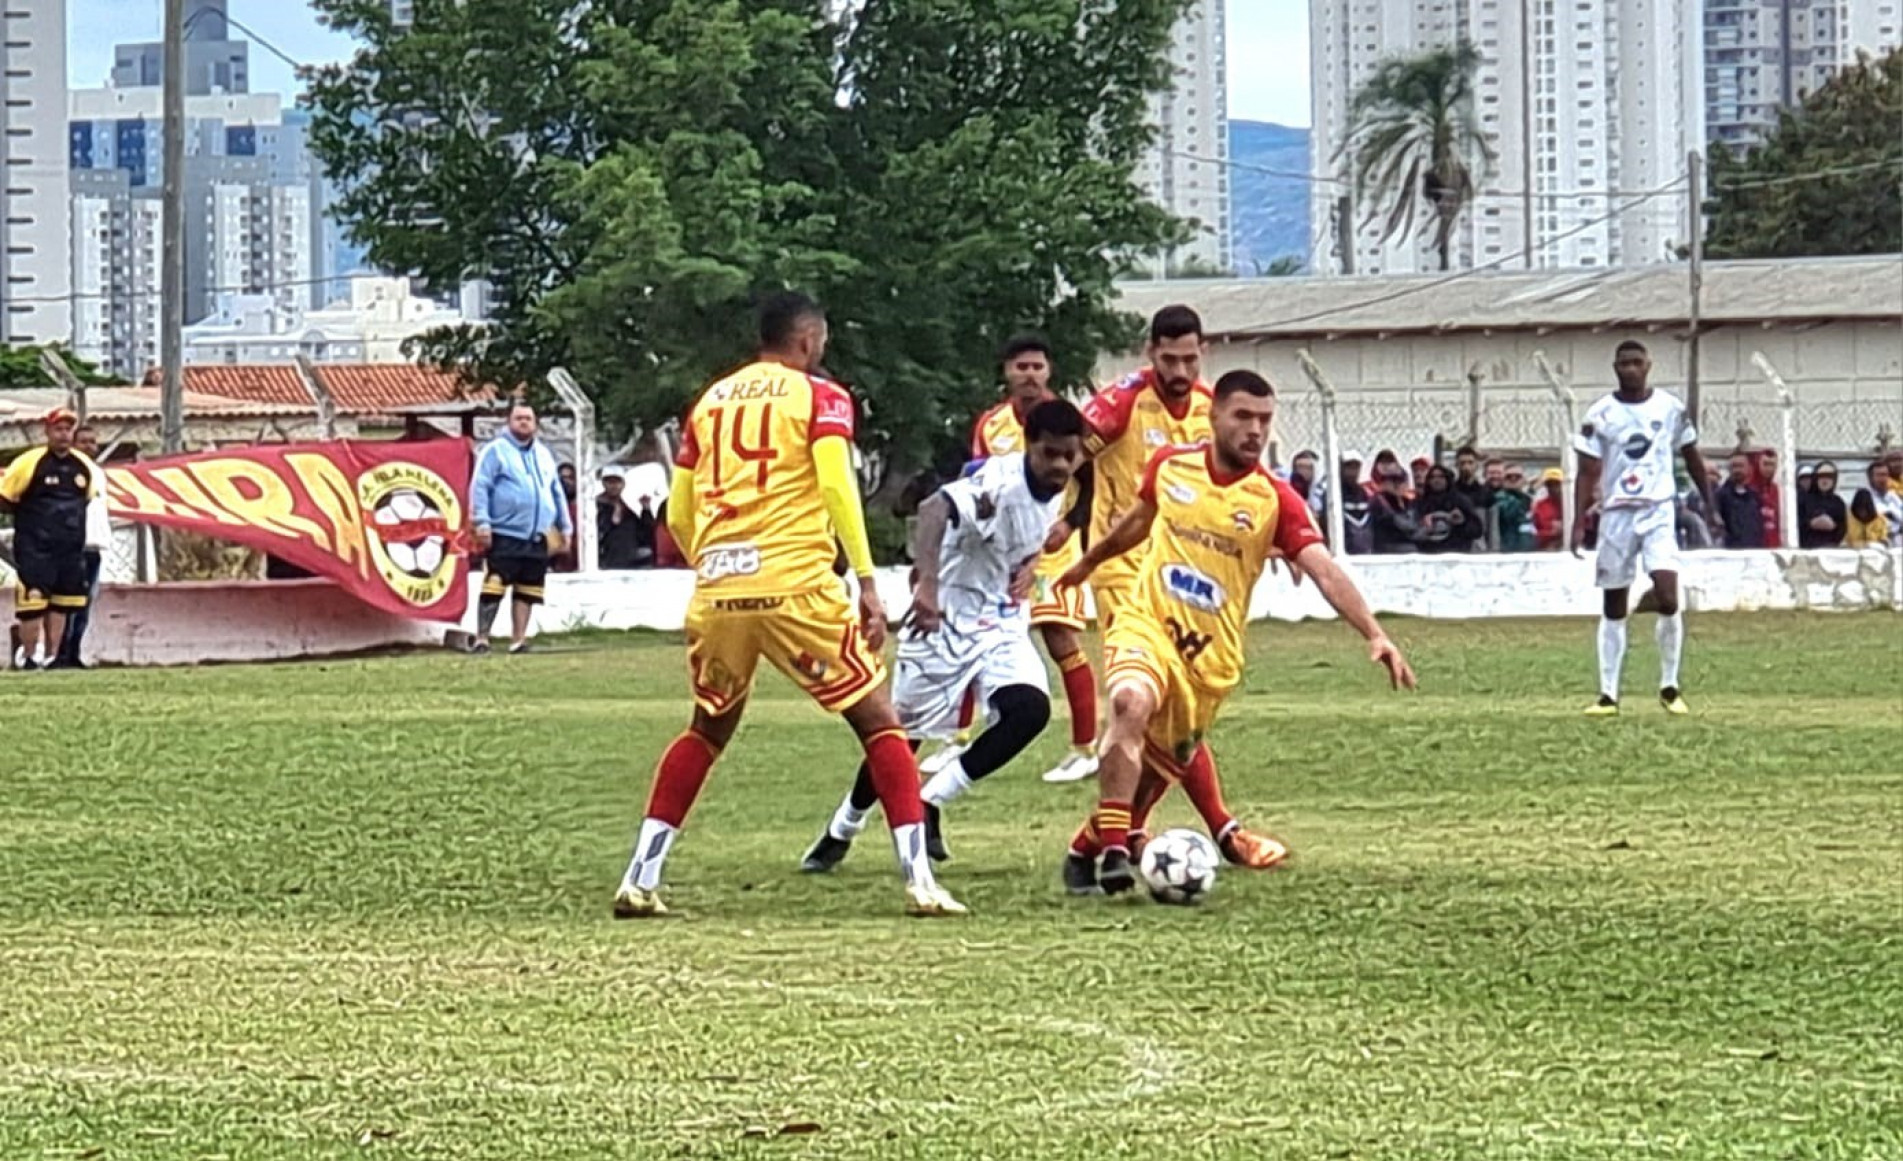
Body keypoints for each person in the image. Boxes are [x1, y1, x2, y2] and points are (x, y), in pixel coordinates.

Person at [612, 291, 964, 918]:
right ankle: (920, 881)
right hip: (796, 584)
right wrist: (864, 578)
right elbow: (834, 482)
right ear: (807, 341)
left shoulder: (710, 402)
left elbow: (680, 512)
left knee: (708, 728)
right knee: (881, 722)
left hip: (720, 589)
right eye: (821, 342)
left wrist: (716, 566)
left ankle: (641, 876)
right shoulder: (821, 397)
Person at [1056, 371, 1417, 895]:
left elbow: (1323, 567)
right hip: (1147, 623)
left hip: (1208, 664)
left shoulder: (1275, 500)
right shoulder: (1170, 465)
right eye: (1243, 416)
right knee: (1129, 703)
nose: (1254, 429)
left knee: (1146, 783)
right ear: (1215, 415)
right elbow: (1139, 520)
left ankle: (1088, 845)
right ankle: (1116, 852)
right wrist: (1089, 561)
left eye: (1264, 420)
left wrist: (1374, 632)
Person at [802, 399, 1088, 873]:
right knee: (899, 738)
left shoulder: (1067, 475)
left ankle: (933, 797)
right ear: (1029, 448)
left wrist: (1037, 559)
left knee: (1030, 710)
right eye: (1050, 455)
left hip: (999, 620)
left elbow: (1085, 481)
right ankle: (843, 827)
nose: (1060, 466)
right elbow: (934, 508)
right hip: (944, 618)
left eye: (1068, 456)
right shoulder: (999, 484)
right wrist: (928, 586)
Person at [1073, 305, 1287, 869]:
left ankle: (1117, 834)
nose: (1180, 368)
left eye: (1190, 357)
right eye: (1169, 358)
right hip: (1128, 573)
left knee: (1176, 708)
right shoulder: (1122, 401)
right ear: (1150, 353)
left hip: (1193, 576)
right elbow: (1070, 455)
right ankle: (1216, 830)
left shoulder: (1213, 408)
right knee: (1142, 700)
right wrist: (1067, 522)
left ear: (1203, 352)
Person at [942, 334, 1100, 786]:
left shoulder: (1069, 422)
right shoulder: (991, 425)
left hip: (1050, 552)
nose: (1029, 374)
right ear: (1007, 373)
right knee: (972, 635)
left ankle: (1084, 748)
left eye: (1037, 366)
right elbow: (974, 483)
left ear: (1049, 372)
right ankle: (956, 738)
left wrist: (1069, 525)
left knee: (1060, 640)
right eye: (1020, 366)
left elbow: (1089, 484)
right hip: (1000, 554)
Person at [1571, 340, 1714, 717]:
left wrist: (1710, 503)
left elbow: (1692, 456)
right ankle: (1608, 695)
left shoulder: (1670, 408)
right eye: (1624, 364)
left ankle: (1669, 686)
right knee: (1613, 606)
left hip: (1658, 510)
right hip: (1616, 514)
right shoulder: (1600, 413)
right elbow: (1587, 471)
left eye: (1637, 362)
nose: (1631, 369)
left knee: (1669, 597)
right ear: (1615, 367)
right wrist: (1577, 519)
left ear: (1649, 365)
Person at [0, 409, 101, 671]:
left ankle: (53, 656)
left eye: (68, 429)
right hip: (35, 548)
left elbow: (87, 499)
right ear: (47, 431)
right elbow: (6, 498)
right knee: (33, 606)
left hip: (69, 549)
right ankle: (29, 657)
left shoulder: (84, 466)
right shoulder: (29, 463)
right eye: (58, 429)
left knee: (62, 604)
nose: (63, 435)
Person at [470, 400, 573, 654]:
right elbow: (480, 486)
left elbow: (556, 491)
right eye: (519, 418)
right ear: (509, 422)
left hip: (537, 534)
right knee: (494, 584)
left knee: (528, 589)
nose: (524, 422)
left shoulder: (544, 454)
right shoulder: (495, 452)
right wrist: (482, 522)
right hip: (505, 532)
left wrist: (565, 527)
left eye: (528, 418)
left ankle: (518, 639)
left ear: (536, 423)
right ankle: (482, 637)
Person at [53, 425, 111, 668]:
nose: (90, 446)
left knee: (85, 603)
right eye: (84, 442)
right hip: (71, 545)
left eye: (93, 442)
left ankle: (75, 652)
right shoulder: (65, 471)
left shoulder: (98, 473)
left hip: (94, 544)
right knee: (67, 603)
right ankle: (60, 653)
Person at [1411, 464, 1482, 553]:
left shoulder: (1461, 501)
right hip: (1428, 554)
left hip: (1457, 553)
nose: (1436, 480)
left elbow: (1477, 531)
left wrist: (1462, 522)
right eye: (1432, 477)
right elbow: (1411, 530)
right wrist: (1422, 525)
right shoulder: (1420, 503)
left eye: (1441, 477)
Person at [596, 473, 653, 570]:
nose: (614, 486)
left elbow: (644, 534)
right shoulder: (595, 507)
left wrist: (646, 509)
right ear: (604, 484)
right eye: (610, 482)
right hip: (608, 563)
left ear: (623, 484)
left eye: (617, 482)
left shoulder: (625, 509)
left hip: (629, 563)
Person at [1716, 452, 1766, 549]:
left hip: (1755, 550)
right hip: (1732, 551)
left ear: (1748, 468)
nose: (1737, 470)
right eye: (1734, 466)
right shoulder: (1721, 495)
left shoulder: (1755, 496)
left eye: (1741, 466)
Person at [1369, 462, 1419, 553]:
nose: (1397, 484)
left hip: (1408, 551)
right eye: (1393, 479)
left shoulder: (1408, 502)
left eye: (1401, 480)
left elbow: (1415, 525)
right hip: (1387, 551)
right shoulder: (1378, 501)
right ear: (1384, 482)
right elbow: (1403, 525)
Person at [1798, 461, 1846, 548]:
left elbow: (1842, 528)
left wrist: (1832, 526)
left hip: (1831, 549)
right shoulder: (1803, 500)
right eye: (1821, 476)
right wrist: (1811, 524)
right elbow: (1798, 525)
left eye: (1829, 476)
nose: (1825, 480)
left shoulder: (1838, 502)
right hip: (1808, 550)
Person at [1493, 462, 1535, 552]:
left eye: (1517, 476)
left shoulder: (1528, 499)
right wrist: (1532, 491)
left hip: (1528, 548)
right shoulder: (1498, 498)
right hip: (1507, 549)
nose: (1513, 479)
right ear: (1503, 480)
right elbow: (1508, 513)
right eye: (1509, 476)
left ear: (1523, 479)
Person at [1866, 461, 1903, 547]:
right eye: (1879, 475)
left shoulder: (1893, 496)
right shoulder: (1865, 497)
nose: (1883, 479)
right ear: (1870, 478)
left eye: (1886, 475)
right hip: (1876, 543)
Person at [1531, 468, 1566, 550]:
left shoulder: (1572, 504)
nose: (1553, 488)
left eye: (1557, 484)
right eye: (1550, 484)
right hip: (1547, 547)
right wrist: (1551, 533)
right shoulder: (1540, 506)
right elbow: (1534, 532)